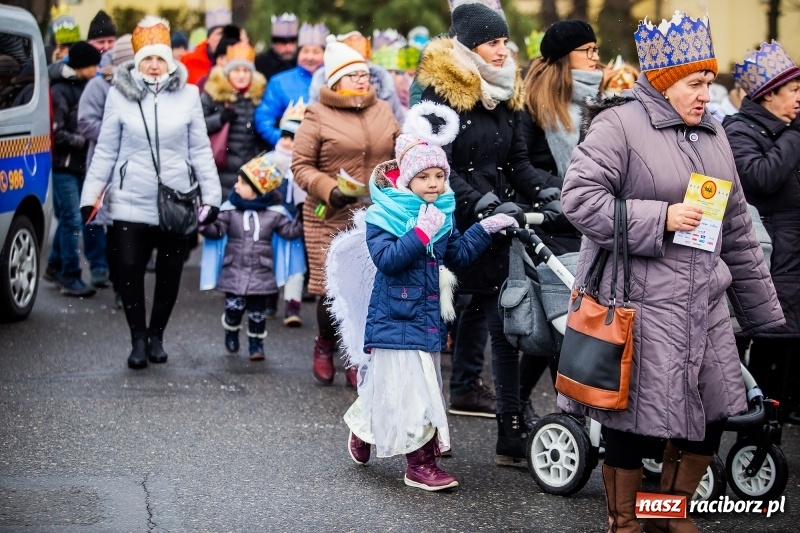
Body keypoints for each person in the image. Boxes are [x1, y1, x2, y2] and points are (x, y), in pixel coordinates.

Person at [559, 13, 784, 532]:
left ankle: (667, 514)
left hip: (703, 304)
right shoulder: (618, 125)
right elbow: (579, 199)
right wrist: (658, 217)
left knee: (712, 413)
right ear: (663, 82)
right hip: (639, 306)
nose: (707, 93)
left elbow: (736, 229)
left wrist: (762, 311)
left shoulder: (714, 134)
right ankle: (626, 522)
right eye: (695, 82)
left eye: (710, 81)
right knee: (633, 422)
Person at [341, 102, 518, 491]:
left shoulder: (442, 211)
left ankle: (364, 428)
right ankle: (419, 464)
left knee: (405, 387)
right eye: (424, 176)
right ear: (406, 179)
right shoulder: (384, 216)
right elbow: (388, 261)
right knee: (412, 388)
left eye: (440, 175)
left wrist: (484, 229)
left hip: (427, 315)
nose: (435, 184)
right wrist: (420, 233)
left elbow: (455, 254)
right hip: (397, 312)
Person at [415, 2, 563, 466]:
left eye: (504, 41)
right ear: (469, 45)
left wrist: (549, 191)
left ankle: (510, 429)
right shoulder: (440, 94)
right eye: (493, 42)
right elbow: (439, 166)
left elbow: (515, 162)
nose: (504, 50)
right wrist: (477, 201)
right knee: (434, 327)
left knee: (503, 327)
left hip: (498, 224)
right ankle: (419, 433)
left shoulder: (507, 90)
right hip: (454, 225)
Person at [80, 16, 221, 370]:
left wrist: (212, 196)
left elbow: (201, 150)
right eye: (147, 59)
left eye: (160, 58)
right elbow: (106, 151)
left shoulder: (189, 95)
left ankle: (157, 334)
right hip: (130, 198)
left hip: (176, 198)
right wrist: (90, 196)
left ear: (170, 60)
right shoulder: (118, 95)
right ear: (137, 61)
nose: (154, 65)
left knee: (171, 271)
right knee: (128, 268)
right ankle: (137, 338)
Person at [292, 40, 400, 387]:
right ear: (335, 79)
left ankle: (356, 356)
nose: (361, 80)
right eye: (353, 74)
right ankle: (325, 343)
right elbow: (301, 166)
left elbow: (400, 152)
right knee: (331, 289)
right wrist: (330, 189)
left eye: (365, 74)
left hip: (375, 213)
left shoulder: (382, 109)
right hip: (329, 212)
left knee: (367, 289)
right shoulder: (317, 113)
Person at [724, 41, 800, 424]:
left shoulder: (787, 131)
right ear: (769, 94)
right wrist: (794, 135)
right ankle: (753, 444)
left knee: (786, 362)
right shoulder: (738, 130)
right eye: (794, 90)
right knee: (765, 356)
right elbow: (760, 177)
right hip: (767, 264)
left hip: (792, 263)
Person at [200, 154, 303, 360]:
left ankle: (256, 344)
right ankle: (231, 330)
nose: (236, 186)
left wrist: (303, 215)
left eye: (243, 183)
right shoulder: (230, 212)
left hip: (261, 273)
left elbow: (290, 232)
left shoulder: (274, 214)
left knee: (258, 313)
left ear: (257, 190)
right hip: (234, 270)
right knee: (234, 308)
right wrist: (204, 221)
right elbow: (217, 231)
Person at [77, 35, 135, 307]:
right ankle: (119, 286)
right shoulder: (98, 86)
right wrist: (117, 135)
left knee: (134, 229)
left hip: (138, 168)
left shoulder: (146, 85)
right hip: (109, 168)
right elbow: (86, 122)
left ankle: (129, 282)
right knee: (114, 230)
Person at [48, 41, 102, 297]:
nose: (97, 69)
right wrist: (85, 140)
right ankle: (70, 274)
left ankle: (54, 265)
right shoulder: (61, 90)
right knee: (71, 219)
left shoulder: (83, 87)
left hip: (78, 165)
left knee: (73, 218)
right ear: (82, 66)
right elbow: (56, 132)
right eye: (93, 64)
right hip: (63, 166)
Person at [201, 41, 267, 199]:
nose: (242, 75)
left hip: (249, 172)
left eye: (246, 70)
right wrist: (220, 119)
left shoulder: (257, 98)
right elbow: (198, 126)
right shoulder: (213, 96)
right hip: (220, 171)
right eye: (236, 70)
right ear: (228, 73)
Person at [254, 22, 328, 149]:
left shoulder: (334, 80)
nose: (310, 57)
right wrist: (282, 139)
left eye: (316, 52)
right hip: (289, 153)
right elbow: (264, 117)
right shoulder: (279, 81)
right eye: (305, 51)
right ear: (298, 54)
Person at [268, 101, 309, 327]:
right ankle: (268, 300)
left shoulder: (305, 164)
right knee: (270, 262)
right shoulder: (269, 160)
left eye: (293, 137)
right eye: (284, 135)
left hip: (296, 220)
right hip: (272, 221)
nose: (287, 141)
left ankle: (292, 305)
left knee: (296, 263)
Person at [308, 32, 405, 123]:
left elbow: (398, 126)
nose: (360, 79)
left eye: (363, 71)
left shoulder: (384, 88)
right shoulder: (321, 92)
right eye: (353, 73)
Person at [255, 13, 298, 82]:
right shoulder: (261, 63)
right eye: (283, 43)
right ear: (274, 43)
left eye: (292, 42)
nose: (288, 47)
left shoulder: (301, 61)